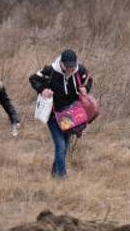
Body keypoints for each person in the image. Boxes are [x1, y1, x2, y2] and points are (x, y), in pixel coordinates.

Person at [29, 49, 93, 179]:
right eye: (67, 66)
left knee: (65, 145)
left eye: (72, 66)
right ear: (61, 63)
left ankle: (54, 173)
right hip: (53, 114)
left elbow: (89, 79)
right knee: (61, 144)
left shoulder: (80, 70)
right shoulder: (50, 70)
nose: (70, 69)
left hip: (71, 115)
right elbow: (33, 79)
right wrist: (43, 90)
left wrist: (85, 88)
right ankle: (62, 176)